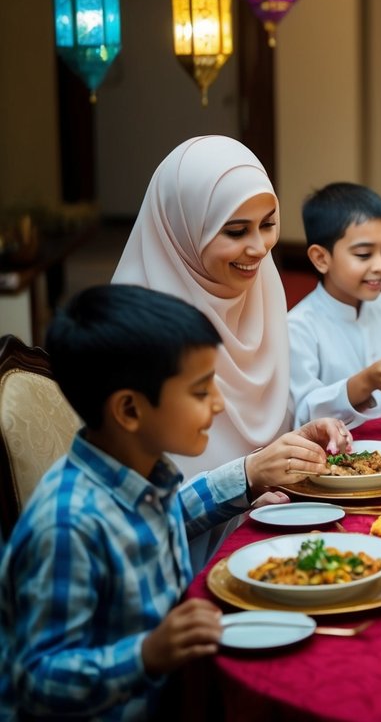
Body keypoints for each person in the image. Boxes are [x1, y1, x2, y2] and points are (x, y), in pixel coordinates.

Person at [0, 285, 336, 720]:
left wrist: (249, 476)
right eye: (200, 391)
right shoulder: (67, 524)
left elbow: (168, 515)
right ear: (130, 410)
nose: (217, 404)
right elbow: (37, 678)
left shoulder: (138, 474)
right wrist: (146, 654)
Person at [112, 135, 350, 475]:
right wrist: (244, 487)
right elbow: (142, 501)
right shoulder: (134, 330)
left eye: (268, 225)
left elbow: (259, 453)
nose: (258, 249)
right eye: (236, 231)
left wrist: (297, 443)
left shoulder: (261, 291)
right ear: (184, 229)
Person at [288, 182, 381, 428]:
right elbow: (303, 412)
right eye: (363, 254)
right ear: (321, 258)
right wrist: (364, 383)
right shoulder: (299, 327)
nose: (380, 266)